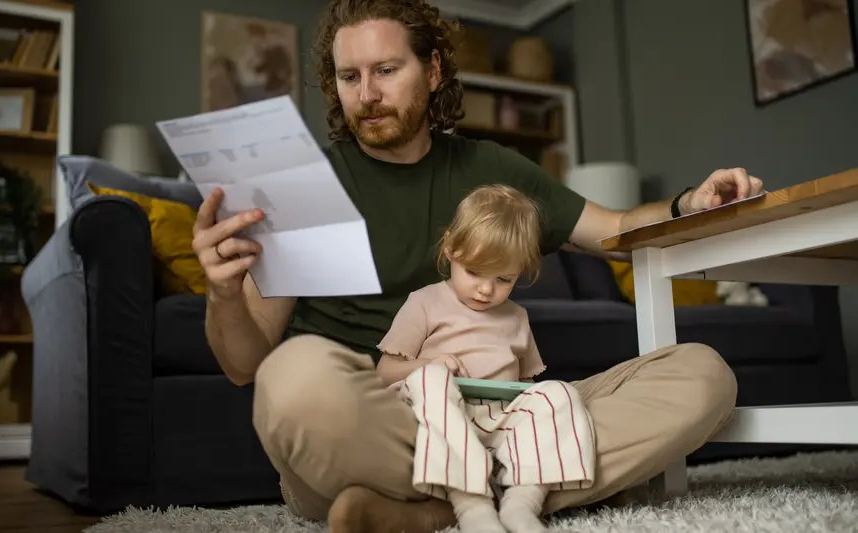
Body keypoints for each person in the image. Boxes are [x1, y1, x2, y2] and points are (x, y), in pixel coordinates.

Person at [191, 0, 763, 531]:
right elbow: (245, 366)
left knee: (703, 375)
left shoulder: (491, 167)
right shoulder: (301, 186)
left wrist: (687, 204)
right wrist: (222, 292)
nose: (366, 93)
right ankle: (528, 488)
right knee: (293, 379)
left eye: (386, 70)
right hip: (380, 425)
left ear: (433, 70)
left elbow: (613, 232)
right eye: (349, 77)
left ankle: (428, 512)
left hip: (499, 420)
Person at [376, 184, 596, 533]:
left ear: (520, 270)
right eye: (474, 272)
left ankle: (521, 505)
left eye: (503, 279)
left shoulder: (516, 317)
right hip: (434, 412)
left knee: (559, 393)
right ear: (450, 248)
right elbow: (385, 372)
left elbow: (526, 386)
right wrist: (429, 365)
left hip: (494, 416)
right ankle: (473, 510)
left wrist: (534, 412)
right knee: (431, 380)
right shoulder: (424, 302)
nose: (486, 289)